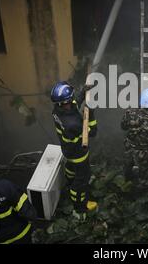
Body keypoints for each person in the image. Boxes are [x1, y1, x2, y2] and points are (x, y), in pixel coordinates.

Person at [51, 81, 98, 212]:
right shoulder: (73, 124)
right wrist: (91, 114)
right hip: (78, 155)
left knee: (71, 168)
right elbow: (92, 132)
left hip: (67, 150)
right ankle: (80, 205)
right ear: (67, 100)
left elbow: (74, 104)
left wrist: (83, 92)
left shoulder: (57, 110)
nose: (72, 100)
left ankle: (69, 182)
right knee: (83, 179)